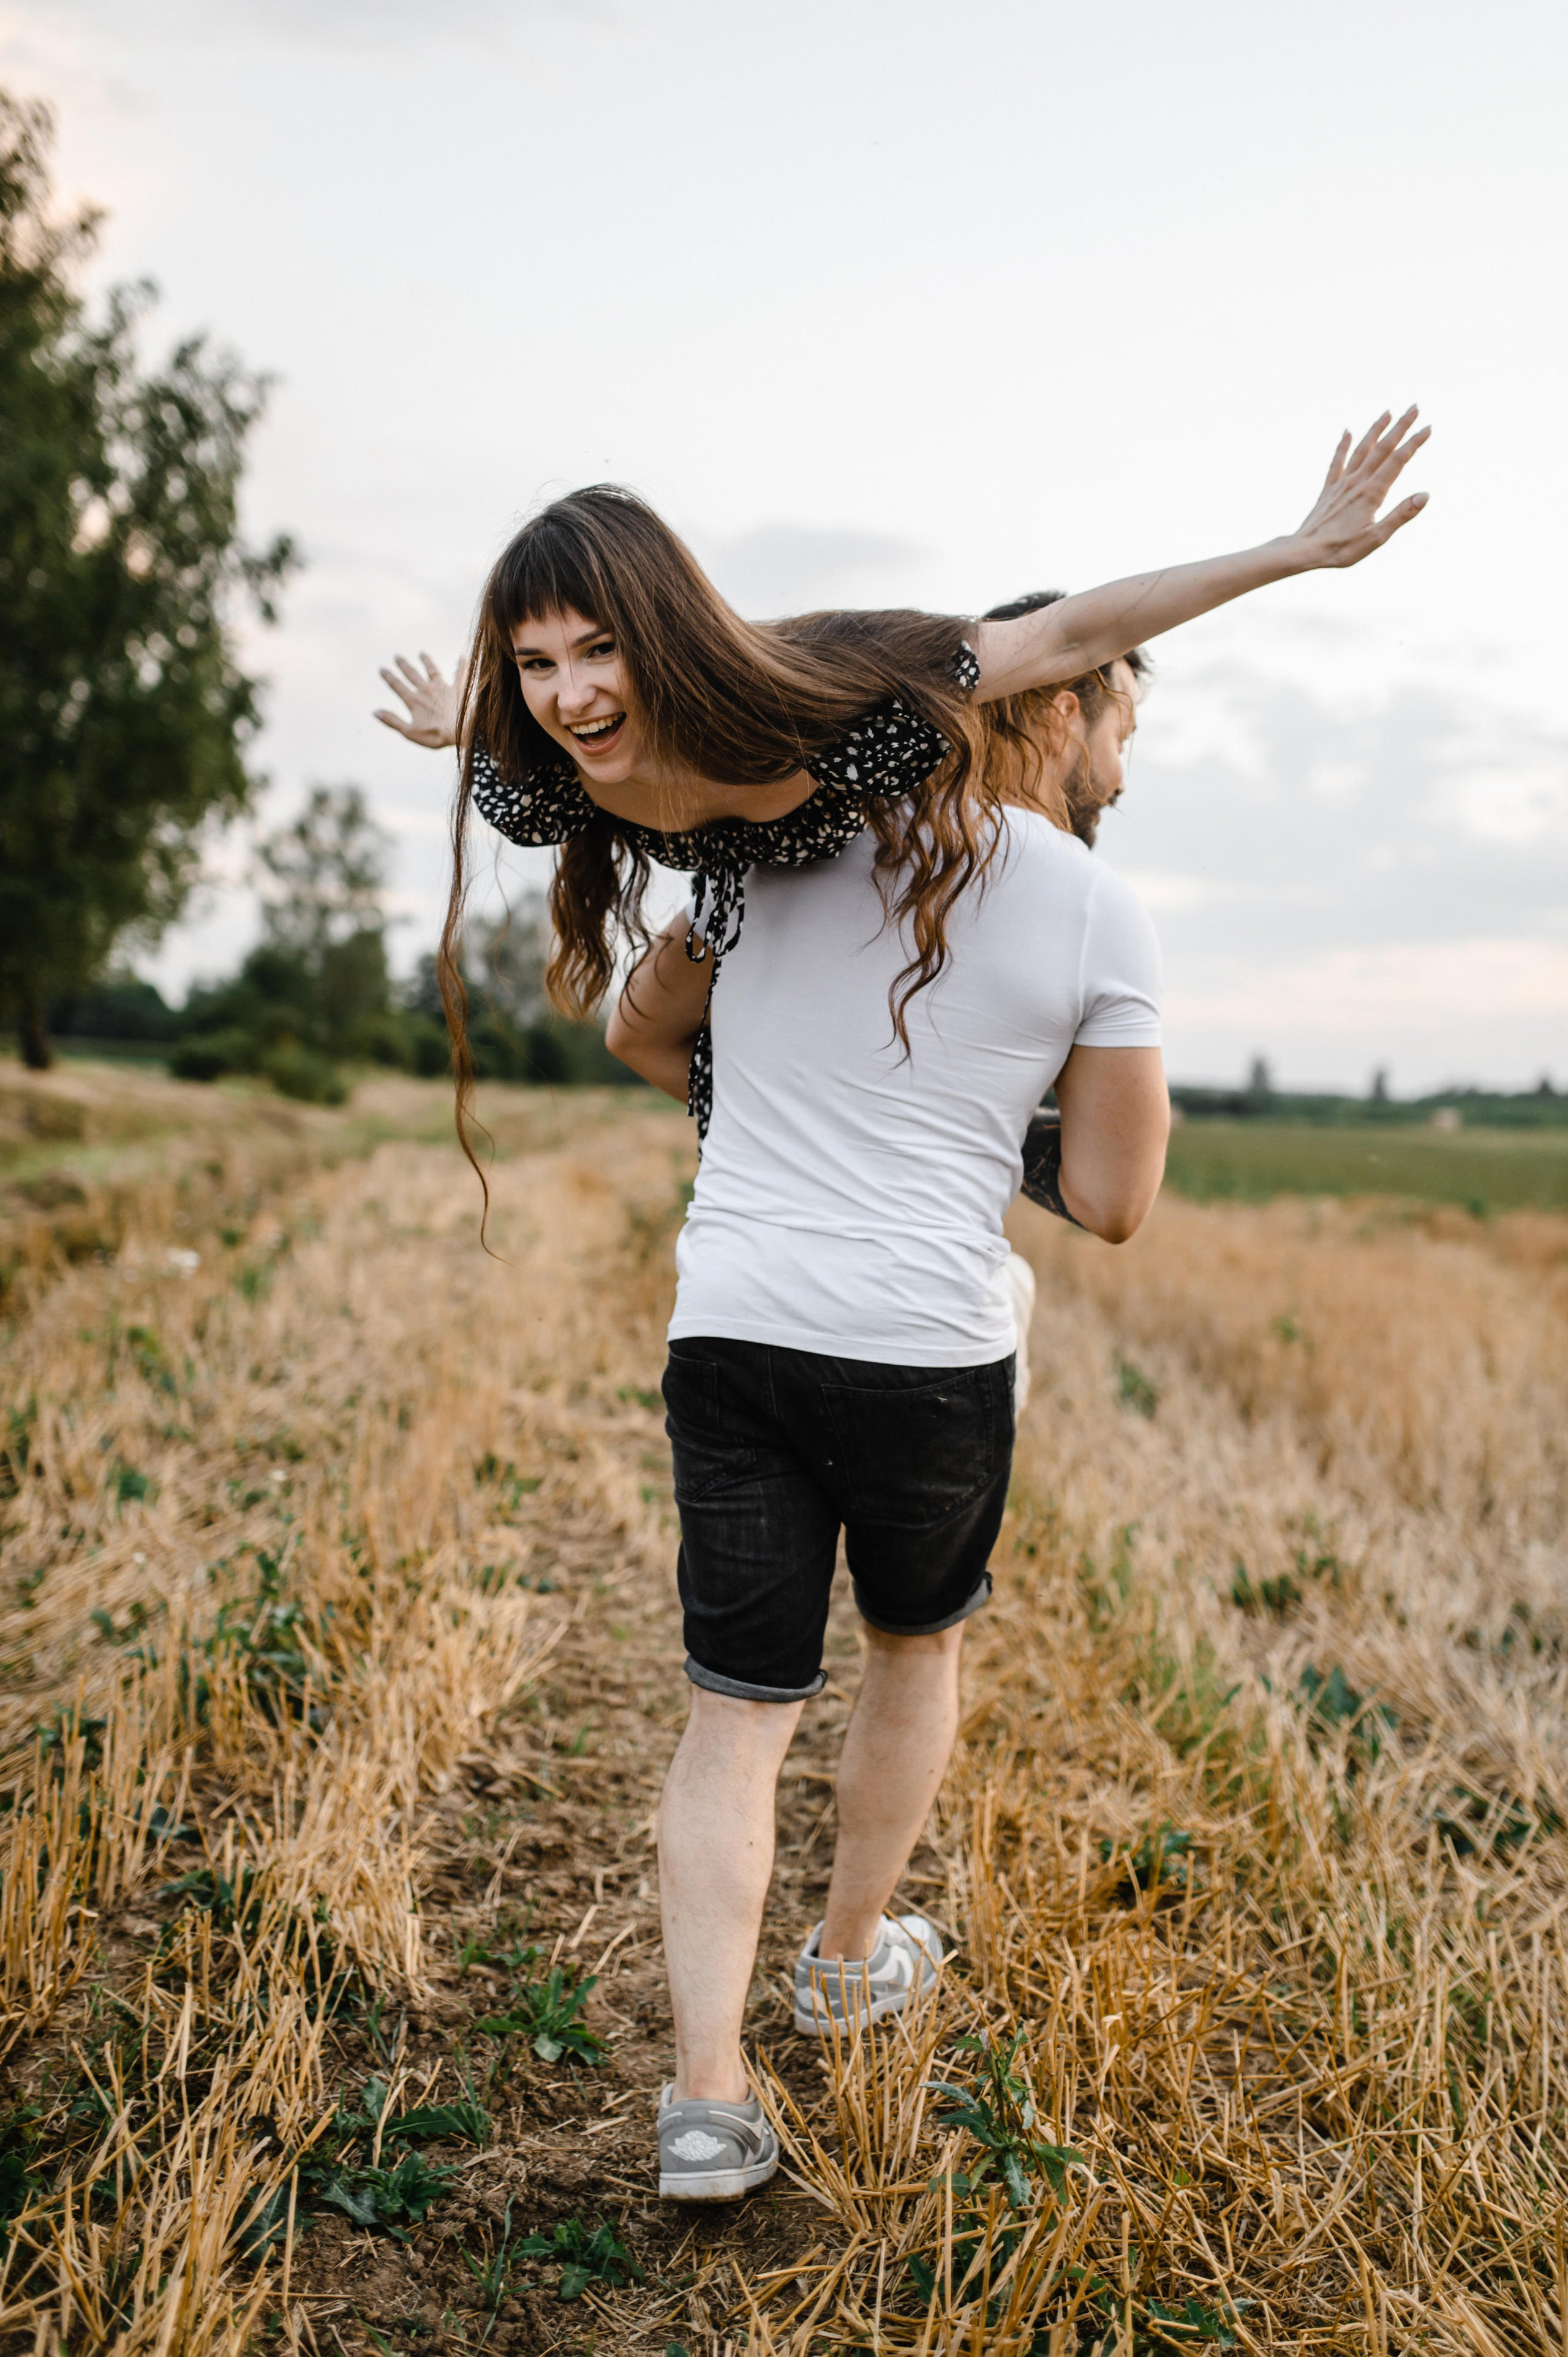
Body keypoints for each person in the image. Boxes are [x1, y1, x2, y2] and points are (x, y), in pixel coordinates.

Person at [373, 411, 1429, 1191]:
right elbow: (533, 723)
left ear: (662, 637)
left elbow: (1067, 636)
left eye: (601, 651)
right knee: (650, 1033)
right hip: (754, 919)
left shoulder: (826, 689)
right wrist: (459, 721)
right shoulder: (541, 776)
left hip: (891, 842)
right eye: (538, 663)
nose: (574, 692)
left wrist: (1293, 553)